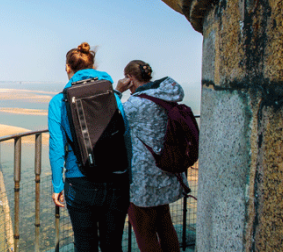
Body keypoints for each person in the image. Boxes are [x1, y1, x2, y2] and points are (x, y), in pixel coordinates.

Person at [48, 42, 131, 252]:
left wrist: (57, 185)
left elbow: (57, 148)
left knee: (85, 245)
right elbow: (125, 134)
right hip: (116, 180)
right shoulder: (112, 95)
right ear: (93, 66)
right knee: (113, 245)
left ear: (68, 67)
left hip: (80, 181)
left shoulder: (59, 101)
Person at [115, 60, 186, 252]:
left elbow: (111, 120)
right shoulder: (166, 97)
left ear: (129, 78)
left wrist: (117, 92)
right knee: (165, 224)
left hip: (142, 177)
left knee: (144, 230)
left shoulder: (135, 105)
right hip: (166, 169)